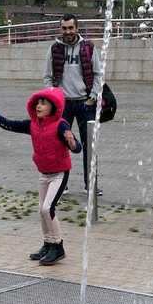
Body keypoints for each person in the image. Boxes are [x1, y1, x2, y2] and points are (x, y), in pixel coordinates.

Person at [0, 87, 81, 266]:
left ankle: (58, 247)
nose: (39, 106)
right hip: (44, 174)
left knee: (47, 209)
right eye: (37, 103)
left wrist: (72, 142)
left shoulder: (61, 125)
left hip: (60, 173)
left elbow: (77, 148)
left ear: (53, 106)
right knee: (41, 211)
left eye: (43, 103)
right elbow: (10, 125)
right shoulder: (33, 125)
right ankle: (48, 244)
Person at [43, 13, 103, 196]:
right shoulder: (54, 49)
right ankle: (61, 185)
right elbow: (47, 77)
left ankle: (90, 185)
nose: (68, 31)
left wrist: (92, 97)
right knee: (60, 145)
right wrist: (53, 98)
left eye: (71, 28)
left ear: (77, 28)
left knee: (89, 146)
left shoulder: (88, 47)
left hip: (85, 103)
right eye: (64, 28)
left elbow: (98, 74)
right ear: (60, 29)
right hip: (62, 105)